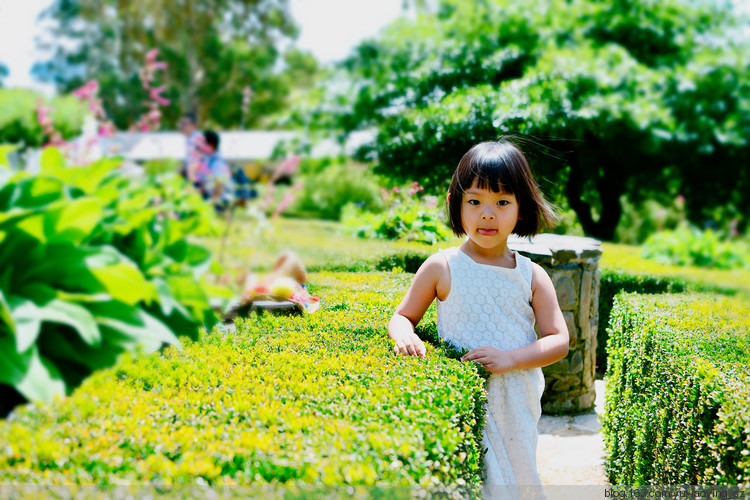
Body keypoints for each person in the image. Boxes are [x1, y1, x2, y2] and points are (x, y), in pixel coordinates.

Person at [388, 139, 569, 496]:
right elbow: (403, 316)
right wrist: (404, 335)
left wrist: (511, 358)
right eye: (475, 201)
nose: (488, 214)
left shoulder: (531, 275)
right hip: (468, 396)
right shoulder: (442, 266)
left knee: (518, 478)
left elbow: (558, 339)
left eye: (502, 202)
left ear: (521, 208)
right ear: (456, 205)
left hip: (517, 398)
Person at [195, 130, 233, 212]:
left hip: (220, 203)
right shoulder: (207, 160)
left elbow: (219, 186)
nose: (200, 146)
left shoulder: (218, 163)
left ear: (211, 145)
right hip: (210, 200)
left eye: (203, 143)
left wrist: (210, 205)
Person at [178, 113, 202, 182]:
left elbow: (199, 162)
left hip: (199, 180)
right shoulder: (189, 139)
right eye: (181, 123)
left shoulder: (198, 139)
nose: (181, 126)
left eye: (184, 124)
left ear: (194, 125)